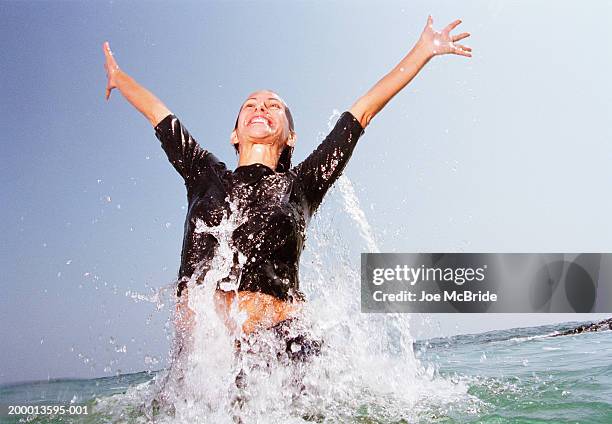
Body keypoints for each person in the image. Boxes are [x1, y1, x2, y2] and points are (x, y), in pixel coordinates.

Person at [102, 16, 471, 354]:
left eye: (273, 106)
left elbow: (361, 113)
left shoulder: (302, 185)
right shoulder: (203, 174)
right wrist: (119, 78)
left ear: (291, 136)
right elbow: (157, 113)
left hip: (280, 349)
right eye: (251, 105)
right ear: (234, 132)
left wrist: (422, 51)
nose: (260, 108)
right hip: (203, 365)